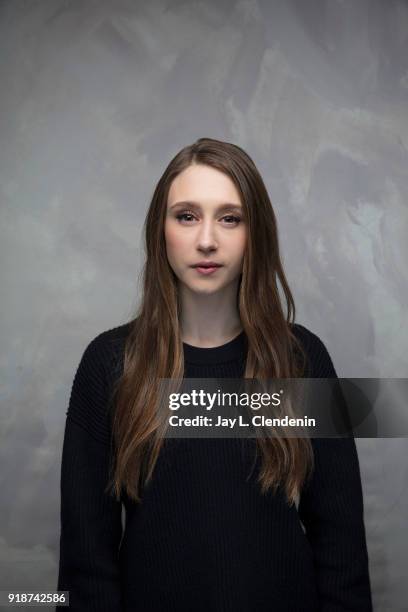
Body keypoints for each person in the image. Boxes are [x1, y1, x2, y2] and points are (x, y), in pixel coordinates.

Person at [56, 137, 373, 611]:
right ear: (159, 231)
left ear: (255, 233)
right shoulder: (110, 364)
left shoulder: (302, 359)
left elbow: (342, 554)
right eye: (186, 216)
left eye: (230, 218)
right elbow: (86, 570)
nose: (207, 239)